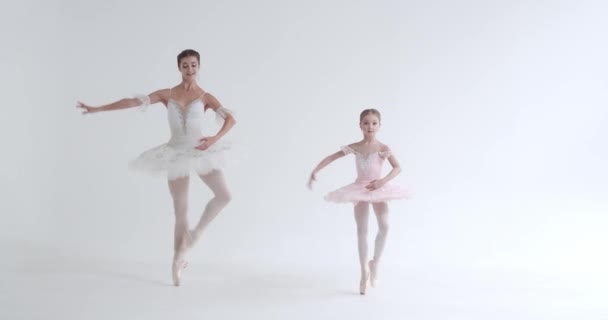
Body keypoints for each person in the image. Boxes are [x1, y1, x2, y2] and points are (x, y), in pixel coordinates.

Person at [77, 49, 236, 286]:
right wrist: (99, 108)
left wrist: (213, 139)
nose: (190, 69)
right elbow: (132, 102)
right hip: (174, 153)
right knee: (180, 209)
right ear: (179, 68)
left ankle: (195, 235)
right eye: (185, 65)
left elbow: (230, 119)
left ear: (199, 66)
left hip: (200, 151)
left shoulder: (206, 97)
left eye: (193, 65)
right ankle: (177, 261)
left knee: (224, 196)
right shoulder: (167, 94)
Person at [307, 108, 409, 295]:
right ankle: (363, 271)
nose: (370, 126)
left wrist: (382, 182)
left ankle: (375, 262)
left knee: (385, 226)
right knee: (362, 230)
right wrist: (316, 170)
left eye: (374, 123)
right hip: (359, 189)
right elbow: (332, 157)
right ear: (360, 125)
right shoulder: (355, 147)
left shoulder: (382, 148)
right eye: (366, 123)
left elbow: (397, 167)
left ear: (379, 126)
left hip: (378, 189)